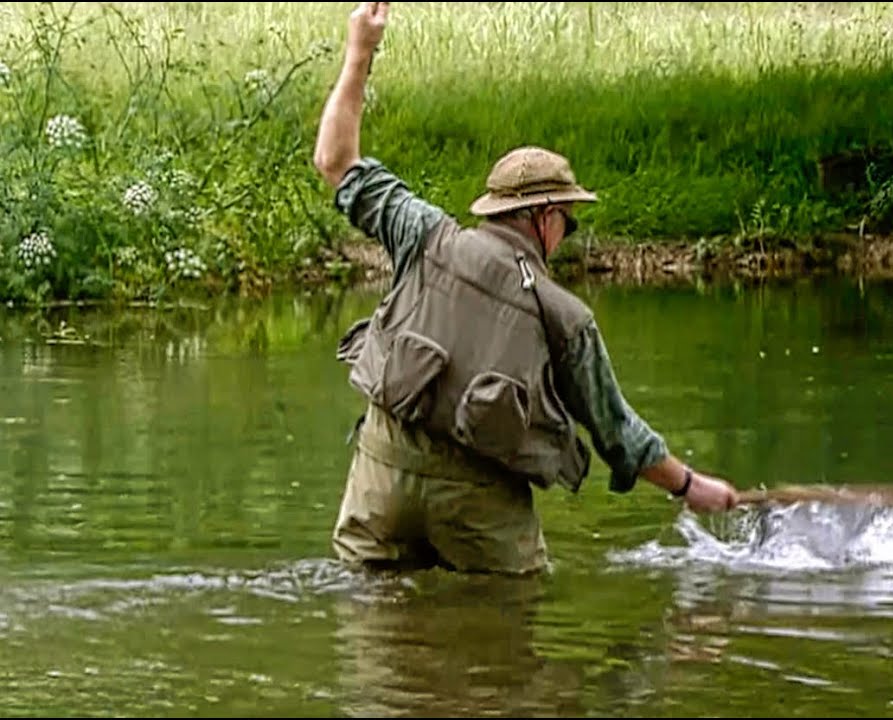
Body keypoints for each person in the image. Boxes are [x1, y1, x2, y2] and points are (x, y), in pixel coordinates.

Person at [312, 2, 740, 576]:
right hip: (480, 506)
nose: (567, 233)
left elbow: (335, 160)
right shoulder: (565, 316)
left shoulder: (422, 232)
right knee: (511, 634)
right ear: (543, 217)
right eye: (568, 219)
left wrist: (359, 52)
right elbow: (618, 433)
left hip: (380, 483)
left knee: (374, 633)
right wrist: (690, 486)